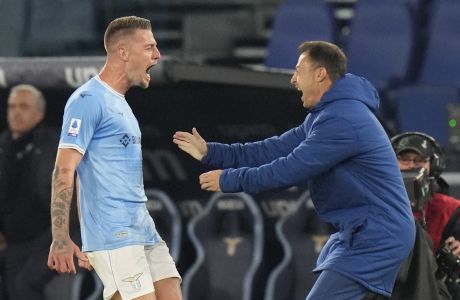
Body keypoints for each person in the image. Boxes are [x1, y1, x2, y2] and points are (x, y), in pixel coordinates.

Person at [173, 40, 415, 299]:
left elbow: (288, 170)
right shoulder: (325, 115)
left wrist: (229, 180)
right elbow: (272, 149)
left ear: (320, 74)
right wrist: (212, 152)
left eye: (298, 71)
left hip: (377, 235)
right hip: (360, 231)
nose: (293, 80)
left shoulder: (343, 120)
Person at [47, 16, 182, 300]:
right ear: (123, 52)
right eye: (149, 47)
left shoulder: (120, 103)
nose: (157, 55)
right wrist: (60, 237)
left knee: (172, 290)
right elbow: (63, 169)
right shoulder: (87, 100)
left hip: (141, 227)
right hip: (114, 234)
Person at [0, 84, 61, 299]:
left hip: (49, 236)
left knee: (25, 286)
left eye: (24, 107)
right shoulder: (4, 146)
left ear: (39, 114)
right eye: (12, 106)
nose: (16, 112)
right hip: (13, 239)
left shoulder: (54, 146)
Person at [391, 131, 460, 299]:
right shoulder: (375, 205)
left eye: (419, 160)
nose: (412, 165)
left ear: (434, 165)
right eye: (404, 159)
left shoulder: (450, 209)